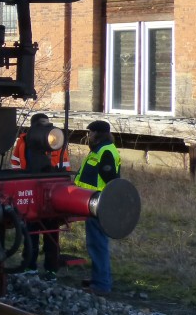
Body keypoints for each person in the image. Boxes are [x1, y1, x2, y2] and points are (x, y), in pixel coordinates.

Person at [11, 114, 69, 280]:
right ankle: (30, 265)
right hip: (30, 191)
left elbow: (65, 166)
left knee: (52, 234)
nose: (47, 127)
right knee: (30, 232)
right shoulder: (22, 142)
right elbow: (15, 165)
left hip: (51, 192)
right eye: (43, 124)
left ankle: (51, 269)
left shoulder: (57, 140)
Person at [74, 119, 120, 296]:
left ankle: (101, 284)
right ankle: (99, 278)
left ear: (98, 134)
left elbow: (110, 179)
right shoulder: (99, 150)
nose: (89, 136)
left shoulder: (105, 152)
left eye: (91, 132)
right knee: (96, 243)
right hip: (91, 202)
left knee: (97, 244)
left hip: (99, 203)